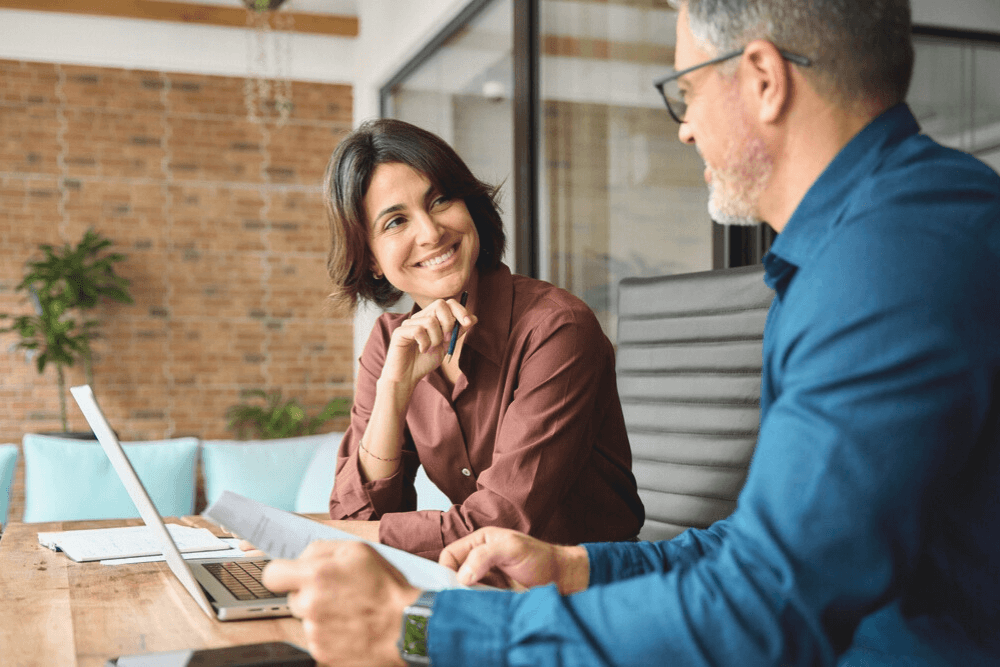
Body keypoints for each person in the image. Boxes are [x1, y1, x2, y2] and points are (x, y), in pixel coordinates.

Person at [262, 0, 1000, 665]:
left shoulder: (886, 262)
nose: (684, 126)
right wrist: (578, 568)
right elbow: (762, 549)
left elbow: (767, 605)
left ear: (764, 80)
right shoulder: (861, 244)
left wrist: (419, 626)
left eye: (688, 90)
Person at [319, 118, 644, 560]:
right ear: (371, 260)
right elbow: (356, 516)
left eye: (440, 200)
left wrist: (324, 535)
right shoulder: (390, 345)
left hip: (588, 593)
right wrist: (393, 392)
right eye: (395, 221)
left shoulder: (556, 329)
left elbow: (499, 524)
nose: (431, 233)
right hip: (477, 584)